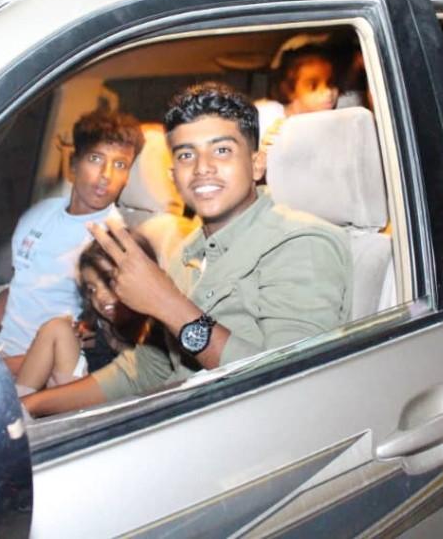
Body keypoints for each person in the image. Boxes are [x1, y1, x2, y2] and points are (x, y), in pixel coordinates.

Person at [22, 82, 352, 417]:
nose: (202, 167)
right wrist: (30, 407)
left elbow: (290, 384)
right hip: (176, 417)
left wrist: (167, 303)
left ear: (256, 164)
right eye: (186, 155)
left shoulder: (302, 243)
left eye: (221, 150)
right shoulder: (187, 253)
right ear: (174, 176)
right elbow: (145, 370)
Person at [0, 109, 144, 357]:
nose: (106, 176)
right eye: (95, 158)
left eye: (120, 165)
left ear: (127, 177)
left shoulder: (113, 241)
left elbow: (94, 336)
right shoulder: (40, 214)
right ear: (73, 163)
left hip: (49, 363)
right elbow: (20, 290)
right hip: (4, 350)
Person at [14, 234, 159, 394]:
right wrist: (80, 339)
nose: (100, 296)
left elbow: (142, 374)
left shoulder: (155, 327)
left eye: (109, 282)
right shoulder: (99, 325)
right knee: (57, 328)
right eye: (92, 289)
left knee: (57, 330)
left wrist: (114, 344)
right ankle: (18, 400)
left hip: (117, 397)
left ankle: (22, 402)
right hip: (87, 381)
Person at [255, 40, 339, 143]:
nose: (328, 92)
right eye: (313, 86)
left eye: (331, 83)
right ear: (289, 90)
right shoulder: (265, 116)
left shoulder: (335, 123)